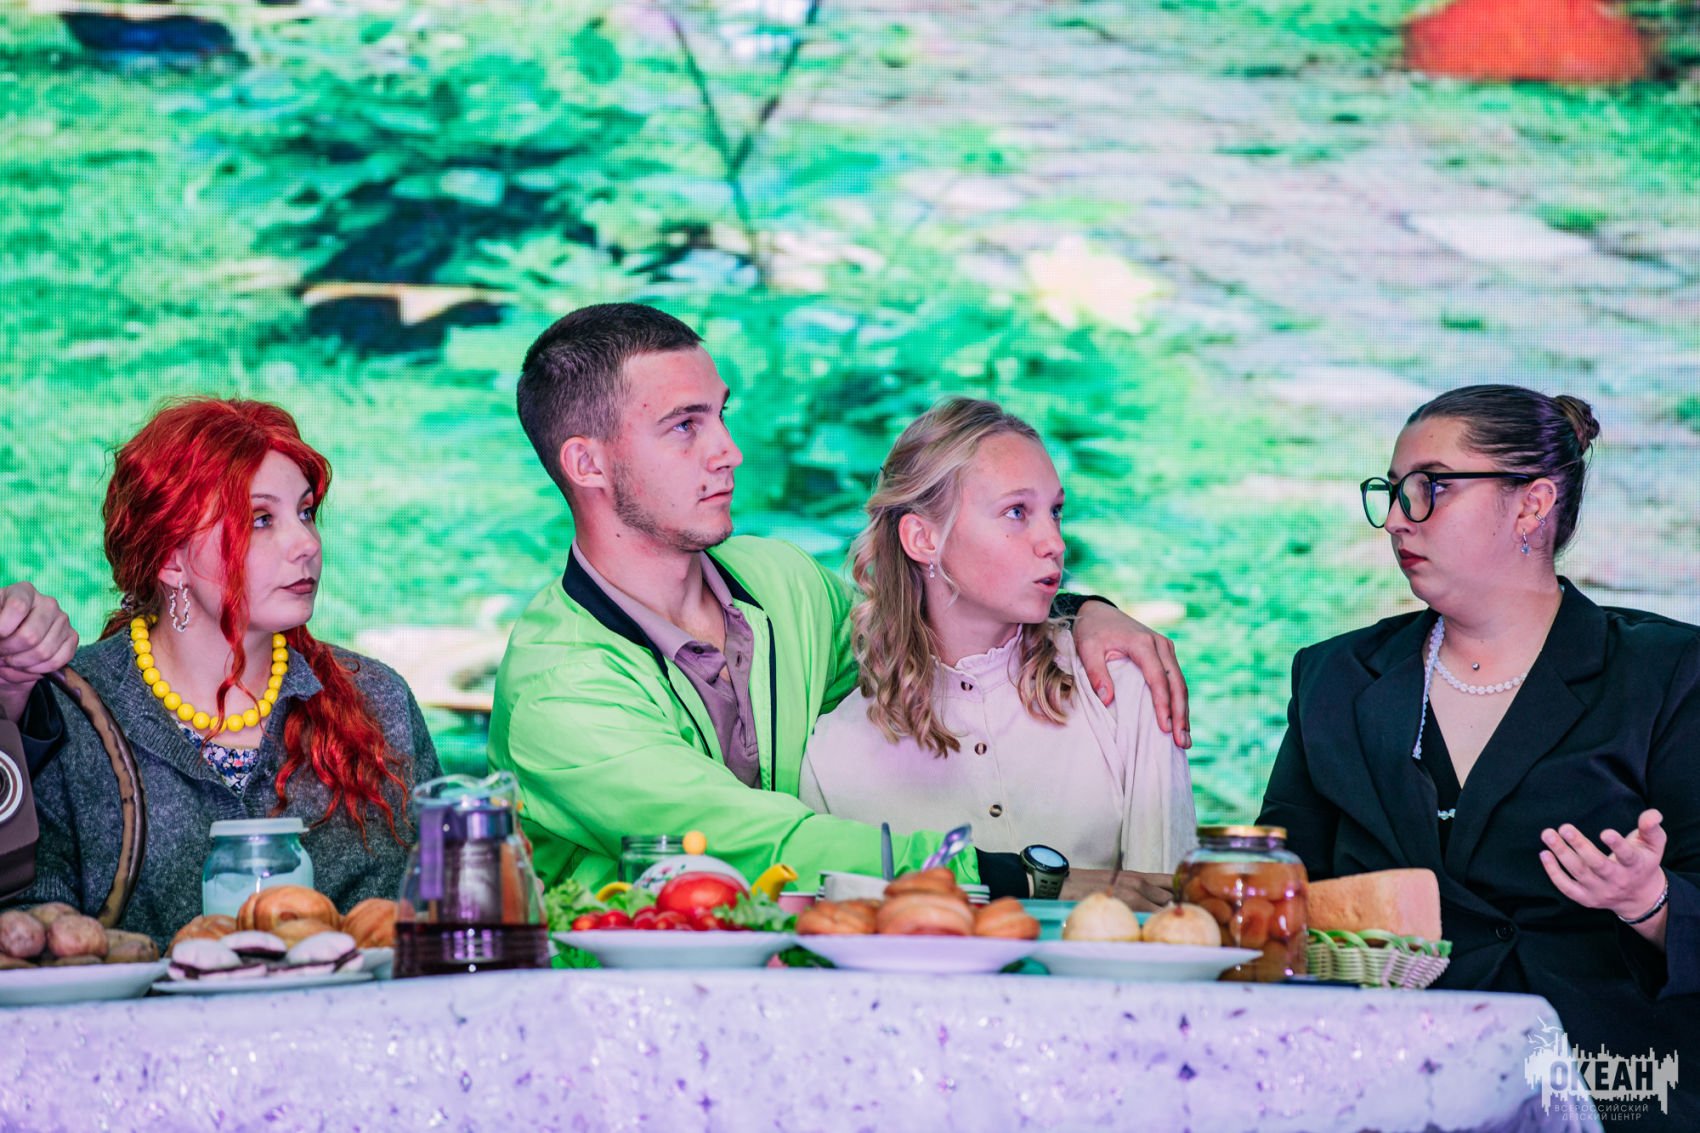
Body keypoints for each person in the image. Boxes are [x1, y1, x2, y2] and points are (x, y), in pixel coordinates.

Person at [491, 302, 1191, 903]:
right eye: (684, 426)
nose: (729, 451)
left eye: (721, 415)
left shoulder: (779, 580)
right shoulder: (558, 688)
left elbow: (926, 625)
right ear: (587, 464)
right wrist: (1015, 877)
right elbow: (755, 843)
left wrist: (1077, 611)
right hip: (621, 997)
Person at [1259, 384, 1696, 1130]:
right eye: (1392, 491)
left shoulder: (1668, 673)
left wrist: (1649, 901)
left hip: (1607, 1083)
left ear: (1532, 504)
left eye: (1431, 487)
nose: (1397, 518)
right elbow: (1281, 885)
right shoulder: (1335, 676)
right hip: (1375, 1080)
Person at [1, 399, 441, 946]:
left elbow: (445, 904)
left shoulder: (378, 700)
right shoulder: (61, 710)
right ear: (171, 558)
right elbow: (24, 927)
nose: (307, 544)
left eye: (306, 512)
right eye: (260, 520)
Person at [801, 399, 1195, 906]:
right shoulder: (834, 756)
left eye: (1055, 511)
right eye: (1016, 512)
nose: (1054, 542)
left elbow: (1175, 918)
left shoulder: (1122, 685)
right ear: (922, 538)